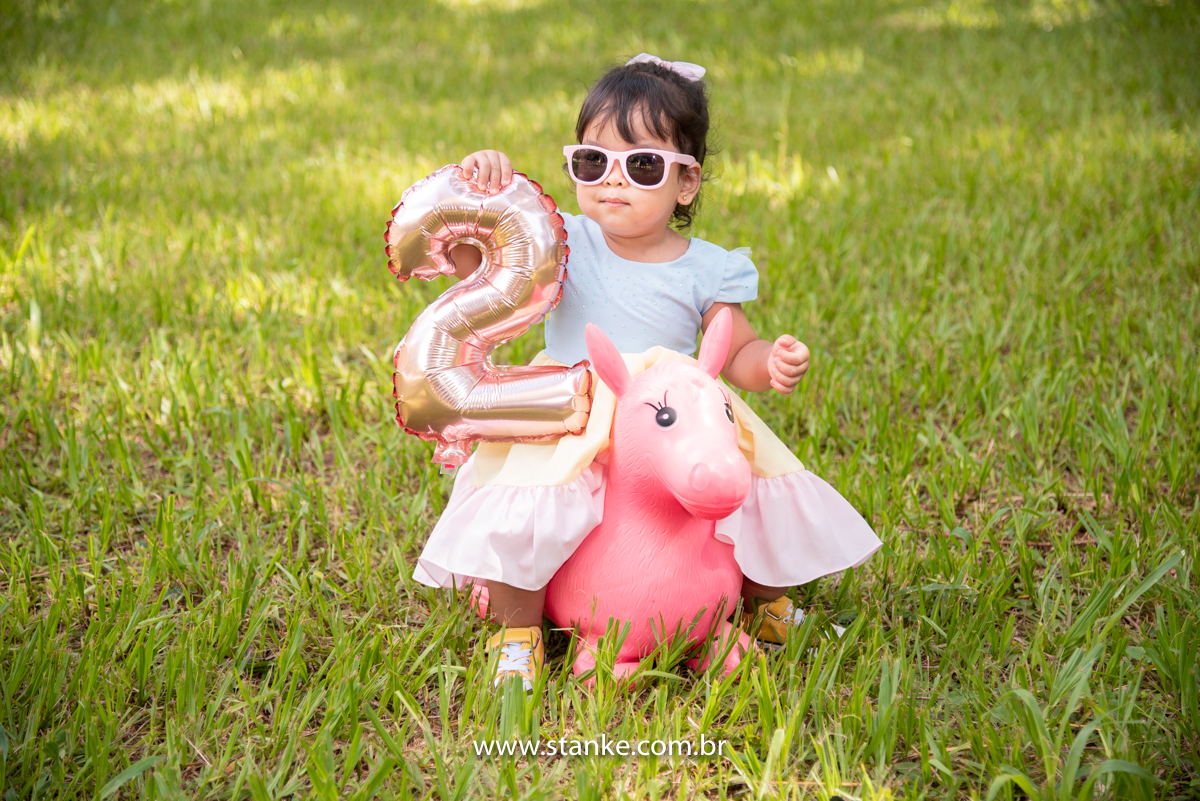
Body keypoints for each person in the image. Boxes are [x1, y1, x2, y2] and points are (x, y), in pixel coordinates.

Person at [413, 54, 881, 691]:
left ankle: (767, 605)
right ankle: (517, 633)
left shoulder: (705, 267)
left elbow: (735, 349)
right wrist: (485, 187)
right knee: (525, 507)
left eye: (642, 165)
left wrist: (768, 362)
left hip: (674, 416)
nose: (613, 182)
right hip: (571, 405)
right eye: (591, 161)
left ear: (686, 183)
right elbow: (479, 263)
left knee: (755, 492)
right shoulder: (561, 238)